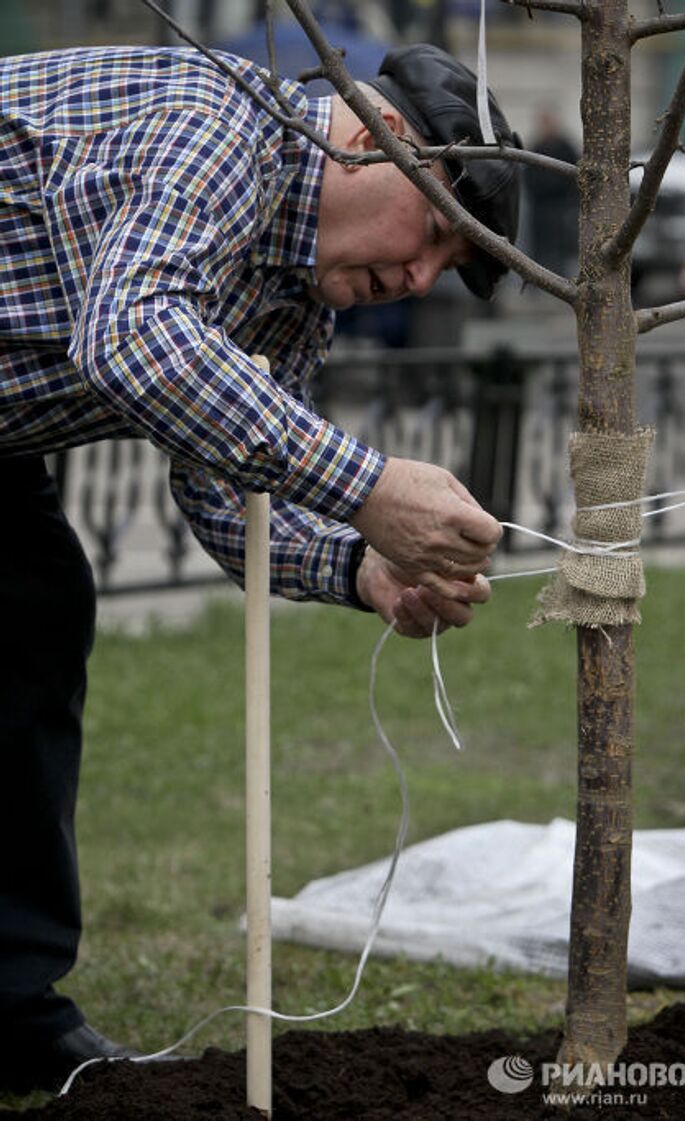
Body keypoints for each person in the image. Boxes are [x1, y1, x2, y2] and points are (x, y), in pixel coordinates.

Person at [0, 41, 519, 1090]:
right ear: (377, 141)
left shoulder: (292, 295)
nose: (418, 279)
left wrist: (360, 571)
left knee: (35, 615)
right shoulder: (224, 128)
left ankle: (12, 1007)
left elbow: (221, 492)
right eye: (432, 235)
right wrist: (371, 487)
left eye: (448, 272)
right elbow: (134, 338)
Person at [525, 107, 579, 277]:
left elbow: (574, 175)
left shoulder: (565, 146)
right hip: (540, 206)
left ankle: (560, 276)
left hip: (560, 205)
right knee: (540, 243)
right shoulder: (537, 145)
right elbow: (529, 175)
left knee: (561, 245)